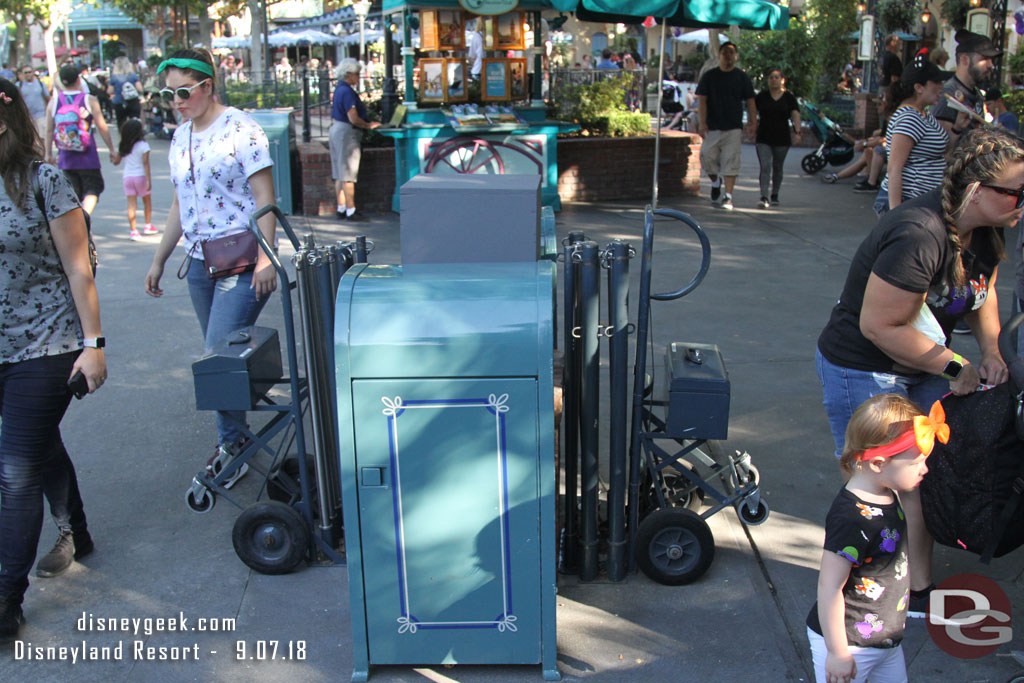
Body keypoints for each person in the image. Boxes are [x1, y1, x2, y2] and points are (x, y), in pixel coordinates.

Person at [816, 126, 1024, 620]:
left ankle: (918, 584)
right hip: (865, 364)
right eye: (1017, 192)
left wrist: (991, 348)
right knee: (883, 479)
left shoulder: (985, 229)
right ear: (977, 191)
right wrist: (957, 364)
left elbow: (981, 291)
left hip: (919, 357)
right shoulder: (919, 232)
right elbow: (879, 325)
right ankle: (854, 581)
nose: (1023, 202)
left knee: (922, 475)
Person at [0, 77, 105, 640]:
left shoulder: (43, 181)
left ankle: (5, 598)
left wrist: (95, 346)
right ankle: (76, 530)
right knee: (35, 442)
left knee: (13, 470)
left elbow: (78, 268)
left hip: (44, 343)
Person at [144, 48, 278, 479]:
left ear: (208, 85)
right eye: (169, 94)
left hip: (241, 260)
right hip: (201, 264)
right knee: (225, 362)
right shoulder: (180, 137)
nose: (177, 101)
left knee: (217, 358)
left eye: (185, 91)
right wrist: (159, 259)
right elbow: (179, 206)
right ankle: (237, 439)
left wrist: (266, 259)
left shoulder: (241, 128)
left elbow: (266, 201)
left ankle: (231, 448)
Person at [807, 393, 937, 683]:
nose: (925, 469)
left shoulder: (886, 491)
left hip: (885, 639)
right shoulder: (851, 518)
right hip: (850, 643)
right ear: (878, 463)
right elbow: (829, 588)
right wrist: (838, 654)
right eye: (917, 463)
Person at [873, 55, 968, 216]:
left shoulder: (923, 113)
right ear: (919, 87)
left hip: (921, 201)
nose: (941, 87)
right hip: (909, 201)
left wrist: (957, 127)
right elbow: (895, 167)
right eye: (936, 83)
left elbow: (941, 150)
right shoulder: (909, 118)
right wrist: (896, 214)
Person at [44, 64, 119, 216]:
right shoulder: (89, 100)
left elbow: (49, 130)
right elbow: (102, 126)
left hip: (65, 157)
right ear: (78, 80)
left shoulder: (54, 102)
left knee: (73, 195)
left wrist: (48, 153)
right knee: (92, 189)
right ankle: (85, 217)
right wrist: (111, 149)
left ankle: (81, 225)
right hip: (87, 156)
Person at [695, 41, 756, 210]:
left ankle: (728, 196)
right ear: (719, 55)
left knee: (731, 161)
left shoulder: (741, 77)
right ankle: (716, 182)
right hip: (712, 126)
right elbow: (702, 100)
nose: (728, 56)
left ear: (735, 56)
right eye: (725, 52)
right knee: (706, 158)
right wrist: (702, 122)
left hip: (733, 127)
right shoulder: (709, 76)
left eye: (731, 53)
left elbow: (750, 101)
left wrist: (753, 122)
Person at [329, 58, 380, 222]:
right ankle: (351, 210)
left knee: (339, 173)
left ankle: (341, 207)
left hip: (336, 128)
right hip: (347, 132)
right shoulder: (348, 92)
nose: (359, 77)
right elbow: (353, 118)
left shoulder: (339, 89)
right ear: (349, 74)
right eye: (357, 74)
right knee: (348, 173)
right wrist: (368, 125)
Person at [931, 29, 998, 140]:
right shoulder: (948, 95)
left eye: (992, 60)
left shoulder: (976, 93)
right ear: (965, 60)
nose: (991, 65)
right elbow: (938, 146)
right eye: (985, 58)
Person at [754, 66, 801, 208]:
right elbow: (753, 113)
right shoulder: (761, 96)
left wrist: (797, 132)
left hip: (782, 137)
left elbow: (795, 115)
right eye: (771, 77)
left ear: (782, 80)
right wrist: (752, 127)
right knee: (765, 166)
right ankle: (764, 196)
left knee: (778, 166)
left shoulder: (789, 98)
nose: (774, 80)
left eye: (777, 77)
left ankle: (775, 194)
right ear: (768, 80)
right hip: (764, 136)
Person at [114, 118, 155, 240]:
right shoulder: (144, 146)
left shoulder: (124, 146)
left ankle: (133, 231)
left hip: (127, 177)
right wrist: (148, 180)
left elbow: (116, 161)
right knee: (146, 201)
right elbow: (145, 163)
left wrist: (113, 156)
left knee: (131, 205)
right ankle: (147, 225)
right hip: (140, 176)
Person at [108, 56, 142, 129]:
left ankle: (124, 138)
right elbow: (140, 89)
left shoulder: (114, 77)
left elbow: (109, 91)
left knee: (121, 123)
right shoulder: (133, 76)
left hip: (119, 102)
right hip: (133, 101)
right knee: (135, 122)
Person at [17, 65, 49, 139]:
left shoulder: (41, 84)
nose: (28, 74)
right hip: (27, 117)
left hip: (41, 115)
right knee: (31, 138)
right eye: (25, 72)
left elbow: (47, 98)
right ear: (22, 74)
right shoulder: (19, 86)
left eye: (29, 72)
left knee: (42, 137)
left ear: (33, 73)